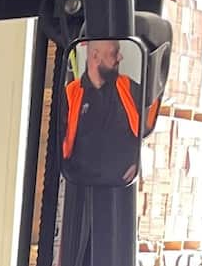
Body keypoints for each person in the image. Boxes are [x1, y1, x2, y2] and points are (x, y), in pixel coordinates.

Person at [62, 39, 151, 185]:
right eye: (114, 53)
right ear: (95, 57)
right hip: (80, 187)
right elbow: (59, 142)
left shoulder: (128, 87)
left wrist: (138, 158)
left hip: (122, 187)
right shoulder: (71, 94)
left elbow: (148, 127)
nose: (120, 57)